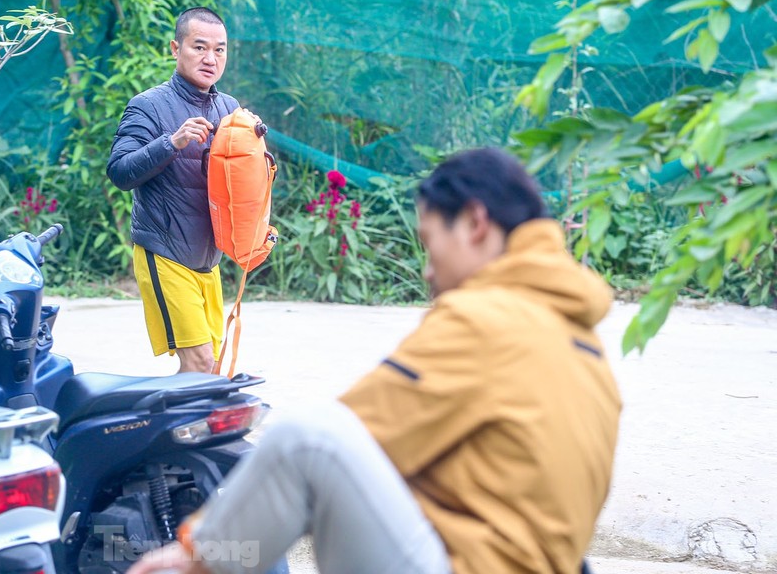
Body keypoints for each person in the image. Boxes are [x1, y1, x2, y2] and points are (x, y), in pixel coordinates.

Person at [127, 147, 622, 574]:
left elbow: (360, 431)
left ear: (474, 223)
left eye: (430, 245)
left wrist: (198, 548)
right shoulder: (583, 344)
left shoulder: (487, 317)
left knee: (308, 440)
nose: (429, 272)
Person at [107, 7, 240, 374]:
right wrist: (172, 142)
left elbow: (241, 182)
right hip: (165, 251)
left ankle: (177, 432)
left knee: (210, 369)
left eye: (220, 49)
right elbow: (119, 171)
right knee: (197, 363)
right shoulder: (148, 105)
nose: (210, 59)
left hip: (208, 259)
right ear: (175, 48)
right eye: (199, 47)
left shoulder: (229, 108)